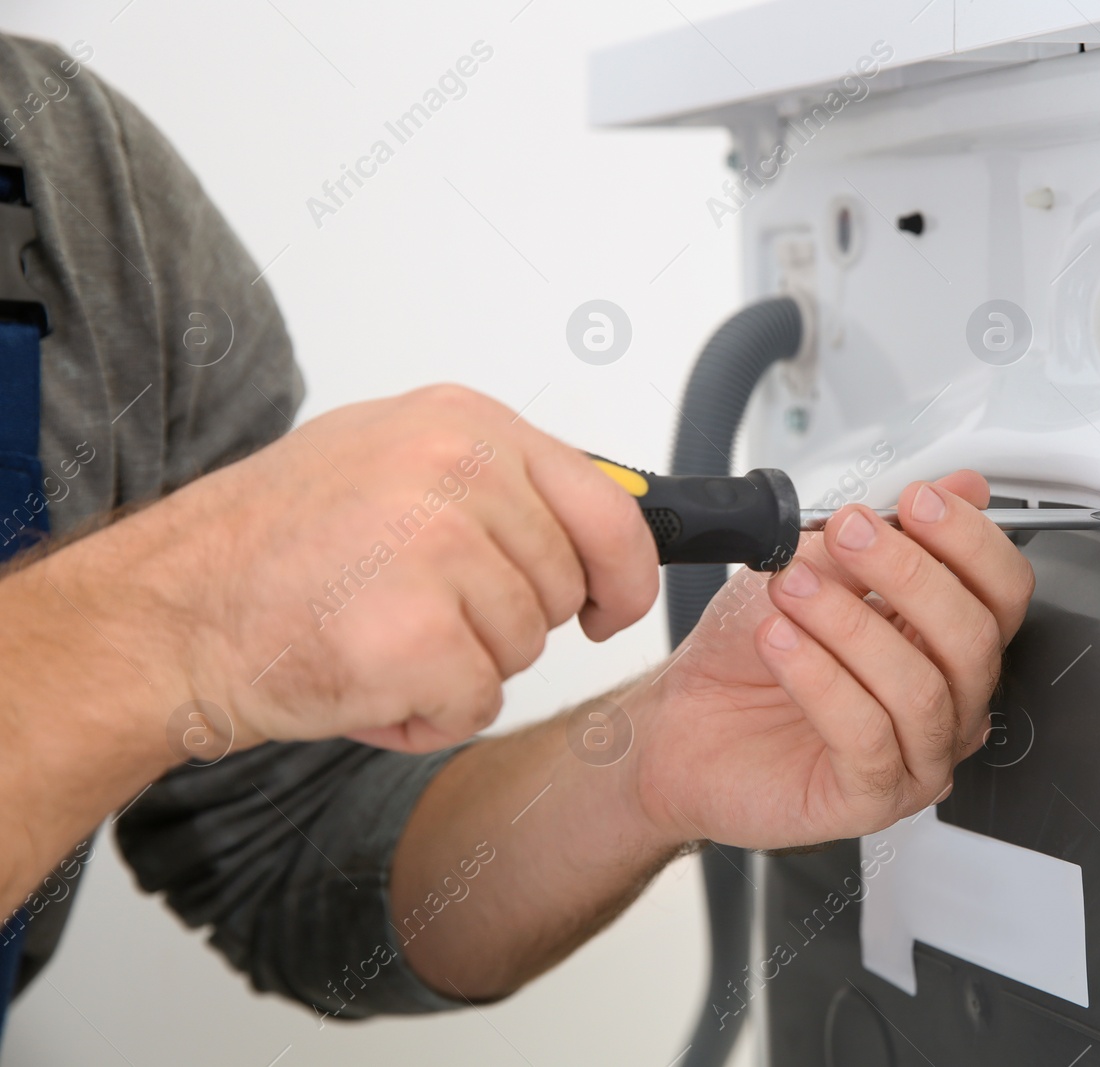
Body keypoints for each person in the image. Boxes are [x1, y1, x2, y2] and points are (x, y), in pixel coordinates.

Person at [0, 32, 1035, 1035]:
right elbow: (192, 640)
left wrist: (651, 759)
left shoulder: (79, 176)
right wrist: (187, 619)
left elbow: (293, 863)